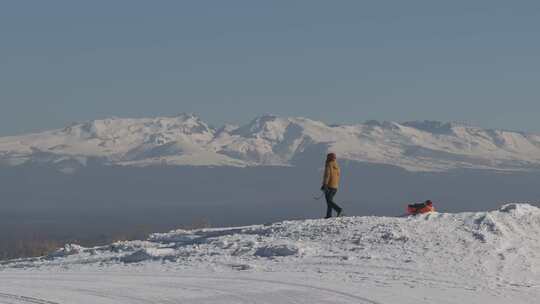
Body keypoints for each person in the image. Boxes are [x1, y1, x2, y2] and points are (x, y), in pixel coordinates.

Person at [321, 153, 343, 218]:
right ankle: (328, 215)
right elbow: (338, 175)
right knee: (330, 200)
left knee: (329, 201)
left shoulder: (329, 164)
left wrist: (325, 184)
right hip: (335, 186)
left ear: (329, 158)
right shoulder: (337, 165)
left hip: (329, 186)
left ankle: (338, 209)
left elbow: (327, 175)